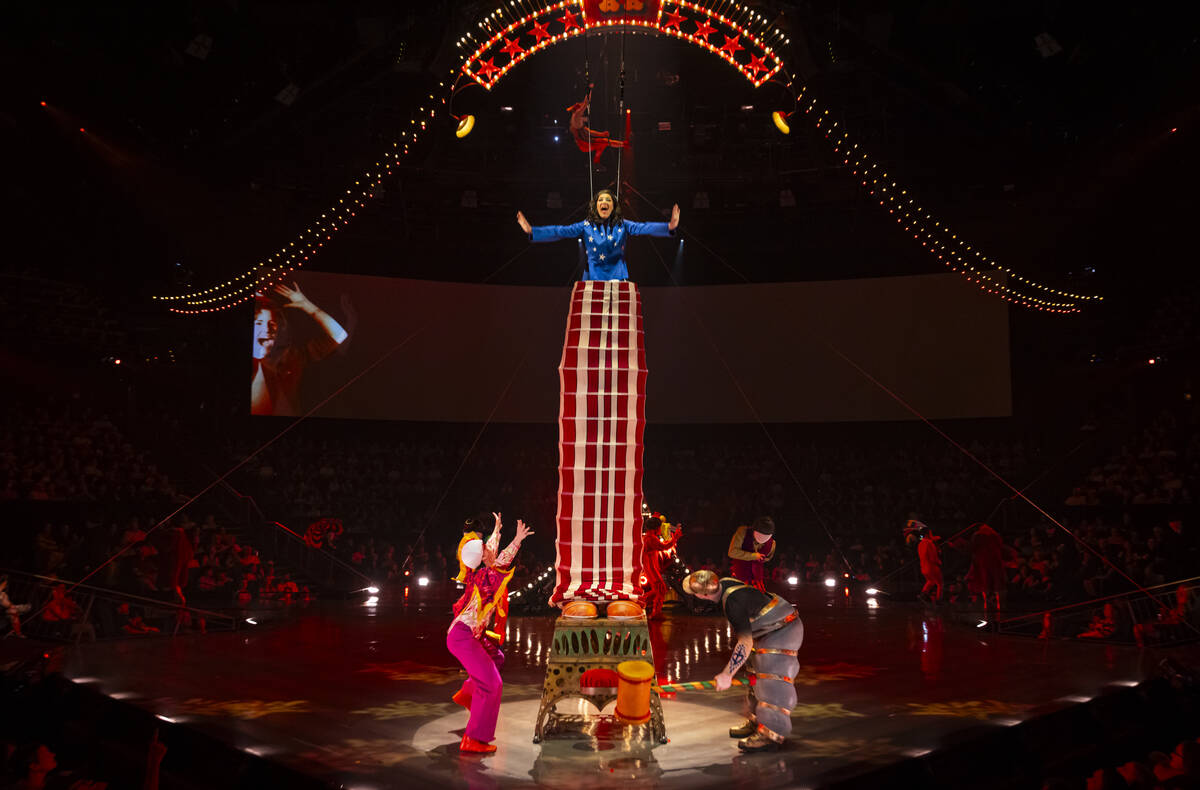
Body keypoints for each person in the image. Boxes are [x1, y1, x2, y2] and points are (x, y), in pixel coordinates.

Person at [682, 569, 804, 752]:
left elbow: (745, 642)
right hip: (766, 629)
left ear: (702, 595)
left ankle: (772, 732)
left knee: (772, 679)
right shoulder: (725, 584)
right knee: (754, 675)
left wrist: (727, 674)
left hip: (782, 630)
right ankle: (757, 722)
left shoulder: (733, 603)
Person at [447, 512, 533, 754]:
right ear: (481, 557)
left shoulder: (482, 569)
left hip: (471, 634)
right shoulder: (486, 576)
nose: (490, 548)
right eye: (486, 549)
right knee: (492, 684)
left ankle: (467, 694)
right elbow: (500, 559)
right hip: (463, 636)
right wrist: (516, 540)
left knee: (497, 658)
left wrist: (497, 529)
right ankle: (473, 738)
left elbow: (492, 553)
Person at [516, 189, 680, 282]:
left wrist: (669, 226)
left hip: (617, 277)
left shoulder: (622, 224)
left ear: (613, 206)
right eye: (601, 200)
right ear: (596, 206)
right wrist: (533, 231)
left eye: (608, 200)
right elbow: (560, 231)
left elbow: (645, 227)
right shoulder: (586, 226)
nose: (604, 202)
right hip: (593, 277)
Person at [251, 282, 348, 416]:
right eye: (259, 323)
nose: (268, 330)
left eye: (272, 324)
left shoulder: (290, 358)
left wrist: (309, 307)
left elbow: (339, 335)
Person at [639, 515, 682, 619]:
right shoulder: (650, 539)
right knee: (661, 588)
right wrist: (675, 538)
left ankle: (643, 604)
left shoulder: (650, 538)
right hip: (651, 568)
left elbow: (663, 545)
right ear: (656, 528)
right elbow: (664, 547)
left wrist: (674, 538)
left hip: (651, 568)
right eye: (660, 527)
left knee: (660, 589)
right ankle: (649, 609)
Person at [727, 516, 777, 592]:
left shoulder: (772, 543)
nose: (762, 538)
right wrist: (754, 556)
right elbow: (732, 552)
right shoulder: (743, 532)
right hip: (739, 575)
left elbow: (768, 558)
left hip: (756, 580)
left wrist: (762, 559)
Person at [968, 522, 1006, 612]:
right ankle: (1000, 605)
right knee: (997, 581)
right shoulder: (995, 535)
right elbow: (1000, 545)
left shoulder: (977, 536)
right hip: (996, 560)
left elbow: (972, 548)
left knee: (985, 581)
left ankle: (987, 603)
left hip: (983, 561)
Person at [918, 527, 943, 603]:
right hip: (931, 567)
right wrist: (939, 562)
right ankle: (938, 600)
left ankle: (922, 595)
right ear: (927, 534)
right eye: (930, 533)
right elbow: (933, 557)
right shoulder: (929, 543)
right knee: (940, 584)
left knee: (930, 581)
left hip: (923, 567)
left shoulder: (920, 543)